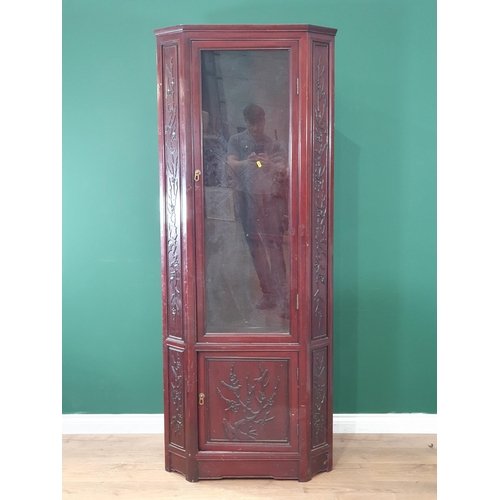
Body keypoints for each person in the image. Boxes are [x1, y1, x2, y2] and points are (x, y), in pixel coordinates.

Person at [227, 104, 289, 318]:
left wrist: (269, 163)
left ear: (264, 120)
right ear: (245, 122)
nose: (255, 128)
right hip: (247, 199)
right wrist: (247, 162)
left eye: (258, 122)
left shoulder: (273, 144)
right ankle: (269, 294)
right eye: (250, 123)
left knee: (275, 248)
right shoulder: (236, 141)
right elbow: (231, 163)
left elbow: (283, 168)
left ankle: (283, 298)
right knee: (256, 249)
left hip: (270, 200)